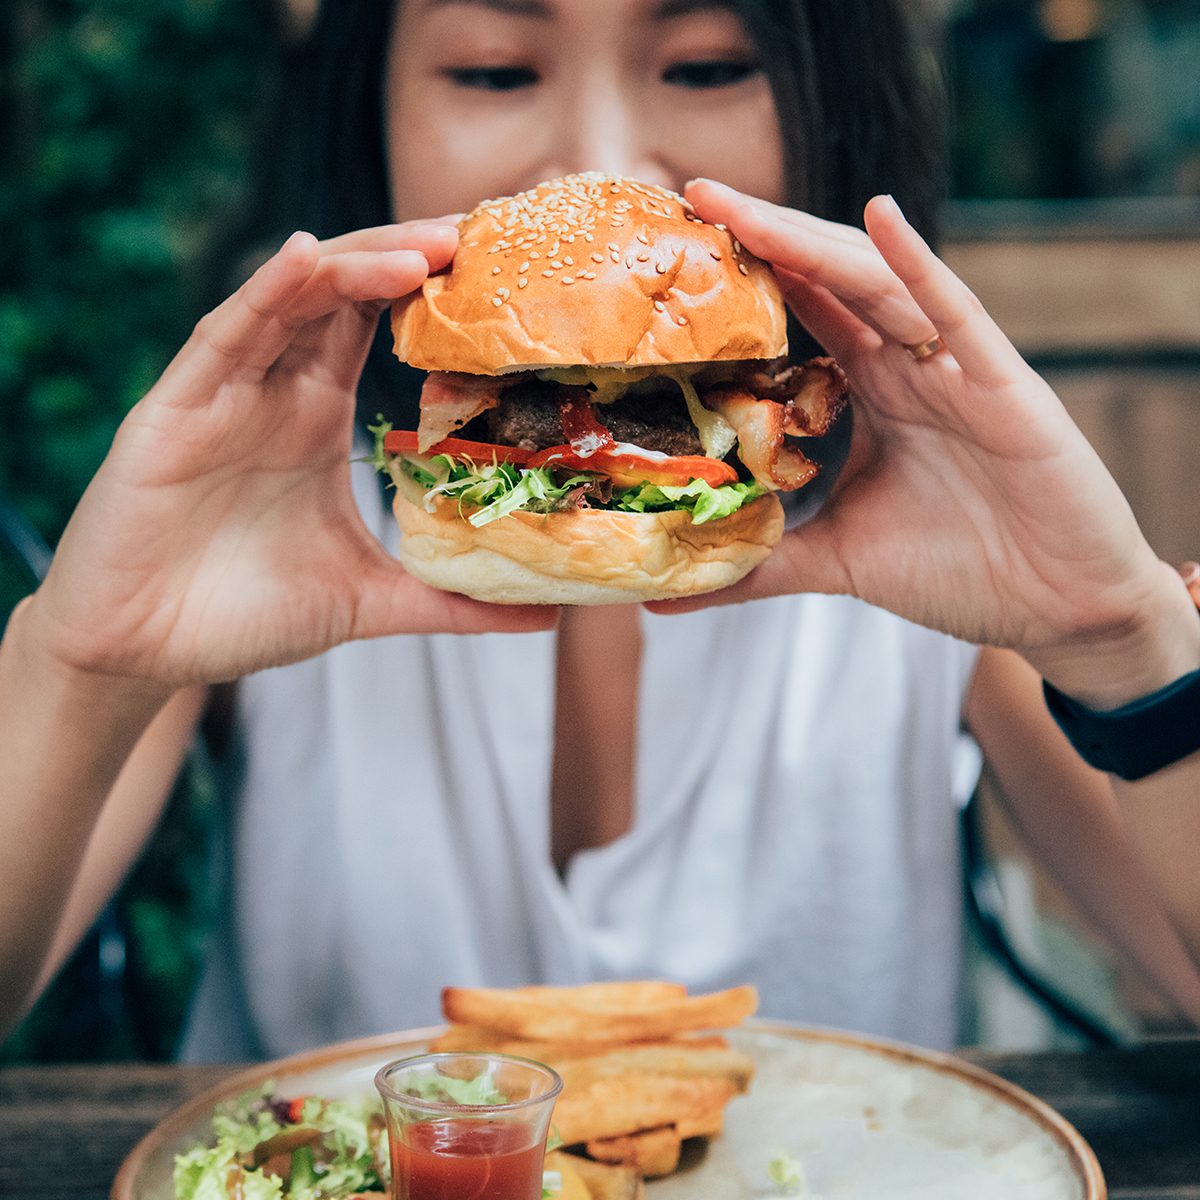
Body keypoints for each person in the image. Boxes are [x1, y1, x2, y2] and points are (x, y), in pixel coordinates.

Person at [2, 0, 1199, 1060]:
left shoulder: (936, 558)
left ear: (826, 97)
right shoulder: (257, 533)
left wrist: (1122, 641)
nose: (598, 159)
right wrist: (80, 661)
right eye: (492, 69)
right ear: (367, 112)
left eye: (707, 64)